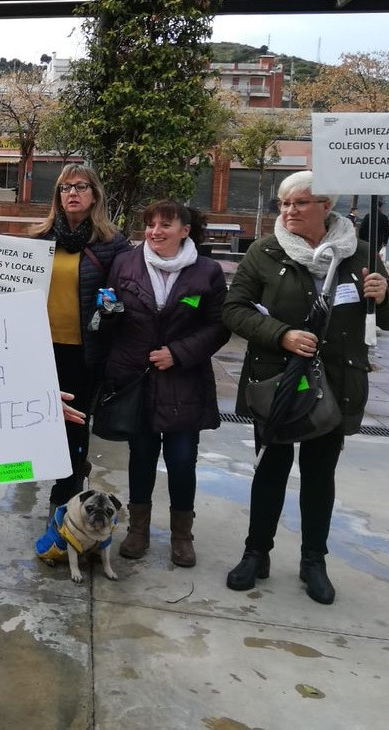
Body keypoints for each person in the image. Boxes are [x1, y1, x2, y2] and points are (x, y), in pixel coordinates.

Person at [223, 170, 389, 605]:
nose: (289, 211)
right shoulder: (264, 252)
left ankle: (313, 562)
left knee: (319, 476)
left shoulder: (359, 253)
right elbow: (233, 310)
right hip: (278, 383)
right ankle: (256, 554)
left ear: (326, 207)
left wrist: (382, 297)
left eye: (300, 203)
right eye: (284, 204)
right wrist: (280, 334)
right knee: (270, 469)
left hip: (336, 384)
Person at [102, 202, 229, 567]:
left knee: (182, 460)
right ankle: (138, 529)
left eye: (165, 225)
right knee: (141, 457)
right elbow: (109, 314)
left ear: (185, 230)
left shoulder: (207, 272)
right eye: (151, 224)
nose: (156, 231)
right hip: (136, 380)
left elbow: (220, 326)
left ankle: (181, 535)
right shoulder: (126, 263)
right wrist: (106, 314)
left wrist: (178, 353)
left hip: (183, 382)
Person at [30, 164, 131, 521]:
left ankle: (64, 496)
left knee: (74, 423)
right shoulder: (39, 238)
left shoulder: (111, 243)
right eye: (64, 188)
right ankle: (56, 475)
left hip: (83, 353)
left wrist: (112, 307)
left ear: (94, 194)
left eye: (80, 186)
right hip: (39, 351)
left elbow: (124, 300)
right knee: (41, 422)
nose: (72, 193)